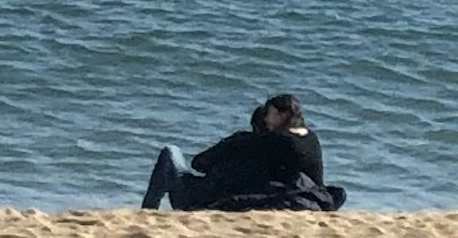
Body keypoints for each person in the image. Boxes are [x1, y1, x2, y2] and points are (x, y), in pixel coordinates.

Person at [143, 93, 342, 214]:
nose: (268, 119)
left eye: (271, 114)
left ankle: (147, 211)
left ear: (283, 116)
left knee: (171, 152)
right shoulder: (310, 139)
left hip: (199, 197)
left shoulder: (260, 143)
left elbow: (200, 163)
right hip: (297, 196)